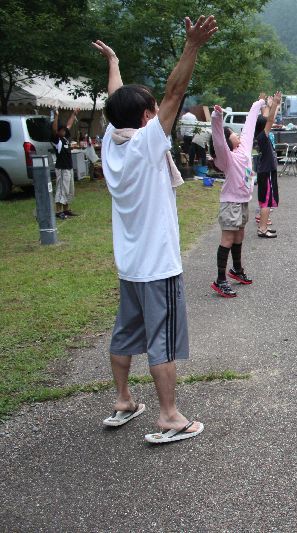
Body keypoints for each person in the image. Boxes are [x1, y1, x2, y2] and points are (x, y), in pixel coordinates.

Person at [92, 14, 217, 444]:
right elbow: (174, 92)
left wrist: (113, 63)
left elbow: (117, 101)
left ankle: (124, 400)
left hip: (130, 266)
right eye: (152, 110)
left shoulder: (112, 143)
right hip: (157, 267)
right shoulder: (146, 144)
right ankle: (169, 417)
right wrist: (192, 46)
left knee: (125, 333)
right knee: (161, 341)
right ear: (148, 116)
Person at [210, 93, 263, 297]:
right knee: (228, 238)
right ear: (227, 140)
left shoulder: (244, 149)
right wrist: (217, 118)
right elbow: (218, 140)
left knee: (239, 235)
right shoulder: (226, 158)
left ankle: (237, 269)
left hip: (242, 202)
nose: (237, 134)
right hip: (230, 203)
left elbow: (249, 126)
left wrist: (258, 104)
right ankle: (220, 279)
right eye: (232, 133)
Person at [255, 91, 282, 239]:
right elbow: (270, 119)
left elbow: (268, 118)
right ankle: (263, 229)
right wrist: (275, 104)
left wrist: (270, 106)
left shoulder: (260, 135)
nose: (269, 124)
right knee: (266, 202)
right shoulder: (263, 136)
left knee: (266, 201)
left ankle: (263, 226)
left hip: (265, 170)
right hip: (266, 171)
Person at [51, 108, 79, 219]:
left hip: (69, 168)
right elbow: (54, 129)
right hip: (62, 169)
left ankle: (66, 210)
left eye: (63, 130)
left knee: (69, 190)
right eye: (61, 130)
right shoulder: (57, 140)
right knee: (61, 189)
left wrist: (74, 114)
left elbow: (69, 125)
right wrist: (56, 116)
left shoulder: (65, 138)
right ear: (58, 131)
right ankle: (58, 211)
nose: (64, 131)